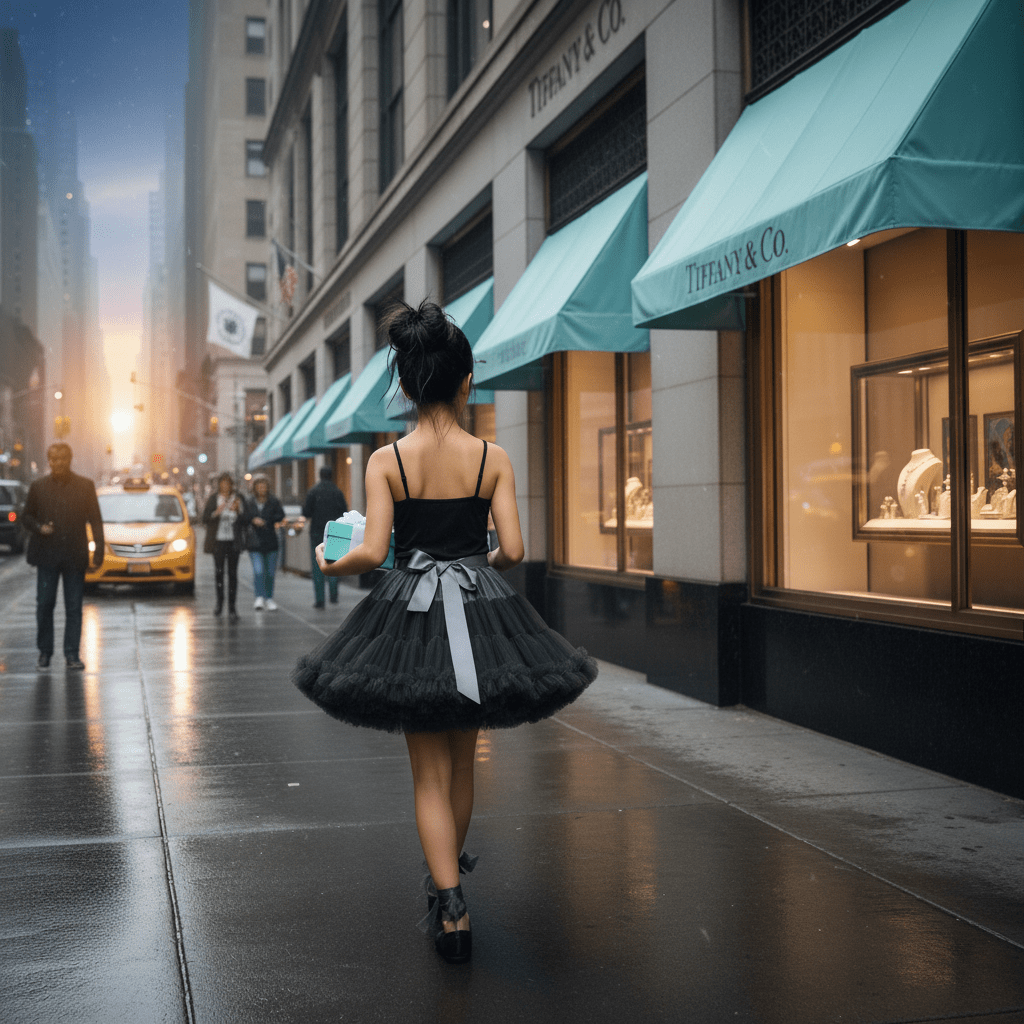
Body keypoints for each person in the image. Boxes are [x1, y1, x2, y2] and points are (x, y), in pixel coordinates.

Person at [292, 300, 597, 965]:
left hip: (409, 618)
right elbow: (514, 549)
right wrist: (476, 564)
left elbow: (373, 552)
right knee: (463, 760)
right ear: (466, 382)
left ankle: (452, 908)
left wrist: (330, 562)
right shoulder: (492, 457)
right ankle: (448, 884)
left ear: (405, 385)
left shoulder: (387, 461)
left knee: (427, 772)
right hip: (479, 614)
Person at [21, 442, 104, 671]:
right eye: (54, 459)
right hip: (46, 557)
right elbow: (26, 517)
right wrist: (39, 527)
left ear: (70, 460)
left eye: (62, 459)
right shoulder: (38, 487)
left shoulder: (85, 486)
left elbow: (95, 520)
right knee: (44, 605)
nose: (58, 463)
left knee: (74, 607)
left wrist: (98, 552)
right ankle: (45, 653)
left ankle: (72, 654)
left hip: (74, 556)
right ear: (49, 461)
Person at [201, 472, 250, 620]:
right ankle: (219, 604)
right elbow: (205, 518)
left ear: (231, 485)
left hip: (234, 541)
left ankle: (232, 607)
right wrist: (216, 512)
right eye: (223, 483)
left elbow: (247, 519)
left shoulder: (239, 498)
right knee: (219, 573)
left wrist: (238, 511)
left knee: (233, 575)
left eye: (228, 483)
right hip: (218, 541)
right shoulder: (214, 498)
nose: (225, 486)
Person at [301, 465, 348, 608]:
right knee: (334, 563)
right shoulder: (337, 492)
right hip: (336, 532)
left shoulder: (313, 491)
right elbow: (344, 512)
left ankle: (320, 599)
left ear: (319, 475)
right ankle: (333, 596)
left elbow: (306, 512)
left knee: (317, 565)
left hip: (317, 532)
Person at [247, 474, 285, 610]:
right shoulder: (250, 502)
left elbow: (281, 515)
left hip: (270, 541)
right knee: (258, 571)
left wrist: (267, 520)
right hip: (255, 542)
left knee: (270, 573)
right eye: (259, 486)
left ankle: (269, 598)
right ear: (255, 488)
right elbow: (244, 516)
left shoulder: (273, 501)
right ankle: (259, 597)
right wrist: (253, 520)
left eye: (264, 486)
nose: (262, 488)